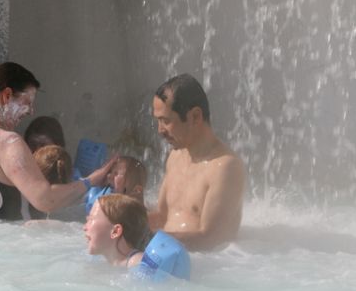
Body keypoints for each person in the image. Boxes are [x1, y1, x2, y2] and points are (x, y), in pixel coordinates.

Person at [0, 62, 115, 220]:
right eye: (28, 103)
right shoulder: (7, 143)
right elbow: (46, 200)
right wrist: (91, 181)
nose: (31, 111)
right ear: (7, 96)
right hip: (6, 236)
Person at [148, 73, 245, 251]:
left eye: (166, 121)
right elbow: (162, 217)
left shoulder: (226, 167)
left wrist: (145, 240)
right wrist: (123, 221)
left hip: (206, 264)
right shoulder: (175, 156)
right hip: (167, 255)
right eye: (158, 121)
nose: (160, 130)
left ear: (195, 116)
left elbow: (212, 239)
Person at [84, 194, 150, 268]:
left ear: (115, 231)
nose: (84, 227)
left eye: (91, 219)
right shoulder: (101, 261)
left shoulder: (138, 263)